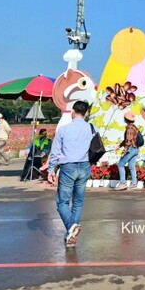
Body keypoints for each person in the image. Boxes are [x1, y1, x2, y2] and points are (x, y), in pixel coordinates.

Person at [47, 100, 93, 248]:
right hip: (85, 166)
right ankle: (71, 234)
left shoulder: (64, 129)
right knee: (78, 201)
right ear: (86, 113)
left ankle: (71, 226)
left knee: (62, 202)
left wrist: (51, 169)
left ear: (73, 111)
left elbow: (55, 151)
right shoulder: (91, 128)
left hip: (68, 167)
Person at [114, 112, 142, 190]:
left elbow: (128, 140)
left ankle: (123, 183)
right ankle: (134, 183)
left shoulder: (129, 127)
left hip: (131, 149)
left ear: (126, 119)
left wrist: (125, 150)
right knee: (131, 166)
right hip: (136, 149)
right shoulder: (134, 127)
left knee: (120, 164)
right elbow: (128, 139)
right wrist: (119, 146)